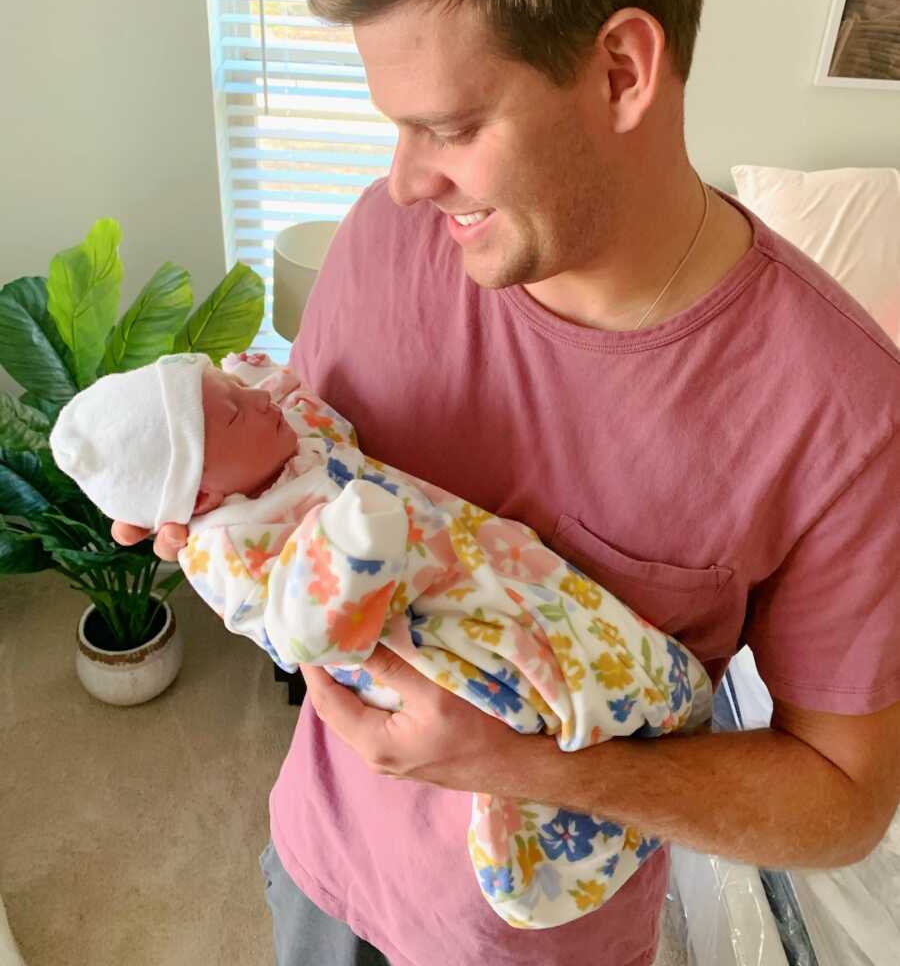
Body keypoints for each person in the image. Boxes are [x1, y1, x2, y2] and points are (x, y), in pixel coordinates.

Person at [114, 0, 900, 965]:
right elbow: (307, 493)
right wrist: (218, 501)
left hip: (539, 942)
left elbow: (843, 802)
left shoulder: (844, 414)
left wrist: (523, 765)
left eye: (449, 125)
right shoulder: (390, 240)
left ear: (623, 72)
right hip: (319, 866)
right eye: (395, 123)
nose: (401, 181)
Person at [53, 349, 713, 928]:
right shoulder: (234, 547)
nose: (257, 406)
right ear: (200, 499)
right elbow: (306, 630)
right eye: (233, 414)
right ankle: (568, 822)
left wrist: (250, 384)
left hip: (462, 548)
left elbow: (303, 411)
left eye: (240, 395)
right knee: (531, 678)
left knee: (557, 604)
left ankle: (647, 711)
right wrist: (352, 545)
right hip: (415, 622)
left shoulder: (272, 447)